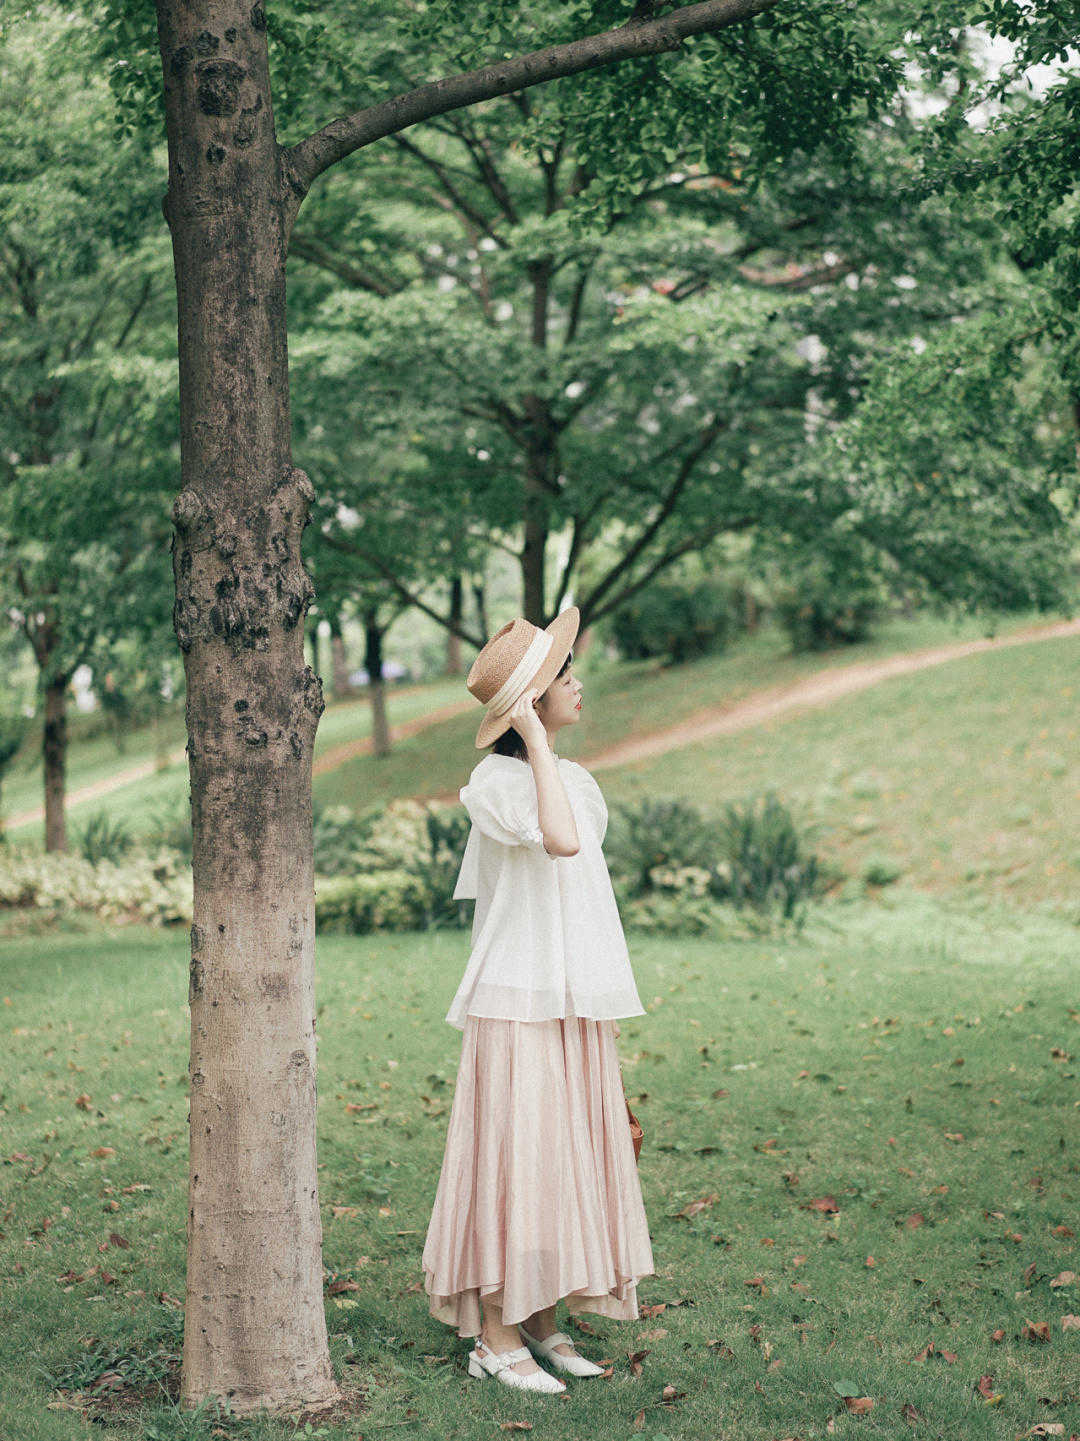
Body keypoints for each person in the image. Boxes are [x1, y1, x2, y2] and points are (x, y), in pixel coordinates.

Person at [420, 606, 655, 1395]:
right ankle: (495, 1334)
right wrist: (535, 742)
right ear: (530, 704)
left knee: (564, 1157)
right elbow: (554, 838)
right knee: (519, 1158)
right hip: (515, 998)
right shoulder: (492, 783)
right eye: (562, 675)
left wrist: (546, 749)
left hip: (572, 996)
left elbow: (574, 842)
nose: (578, 682)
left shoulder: (577, 781)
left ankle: (544, 1321)